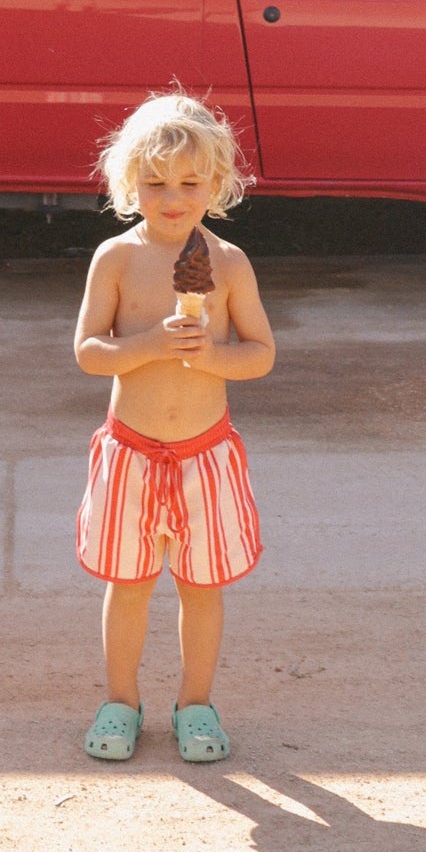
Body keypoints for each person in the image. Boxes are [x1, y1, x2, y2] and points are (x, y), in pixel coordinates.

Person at [73, 93, 276, 764]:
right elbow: (88, 350)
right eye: (155, 182)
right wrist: (153, 343)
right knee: (127, 584)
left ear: (214, 186)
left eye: (189, 183)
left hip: (203, 455)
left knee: (201, 587)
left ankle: (195, 703)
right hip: (130, 451)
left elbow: (261, 352)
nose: (171, 197)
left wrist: (212, 355)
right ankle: (119, 700)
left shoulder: (230, 262)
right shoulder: (117, 258)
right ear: (129, 182)